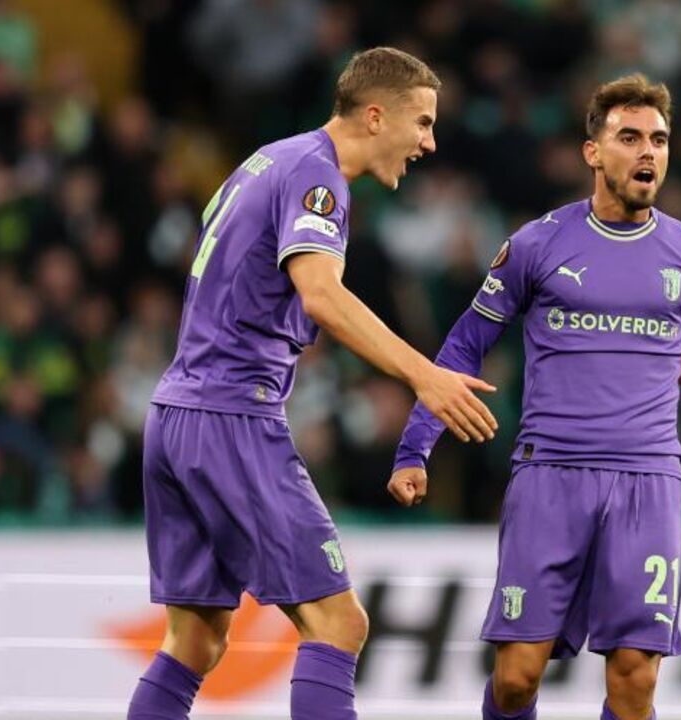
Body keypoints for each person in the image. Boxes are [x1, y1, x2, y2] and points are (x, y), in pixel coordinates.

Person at [127, 47, 499, 720]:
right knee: (339, 623)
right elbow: (321, 294)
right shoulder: (316, 175)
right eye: (421, 123)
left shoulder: (268, 159)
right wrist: (425, 376)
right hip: (232, 418)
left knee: (196, 639)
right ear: (376, 115)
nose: (429, 142)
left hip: (178, 411)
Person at [388, 74, 681, 720]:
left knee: (634, 680)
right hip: (550, 477)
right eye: (629, 138)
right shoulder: (536, 246)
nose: (647, 152)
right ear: (593, 152)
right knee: (516, 678)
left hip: (648, 482)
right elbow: (462, 348)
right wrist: (414, 449)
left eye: (659, 139)